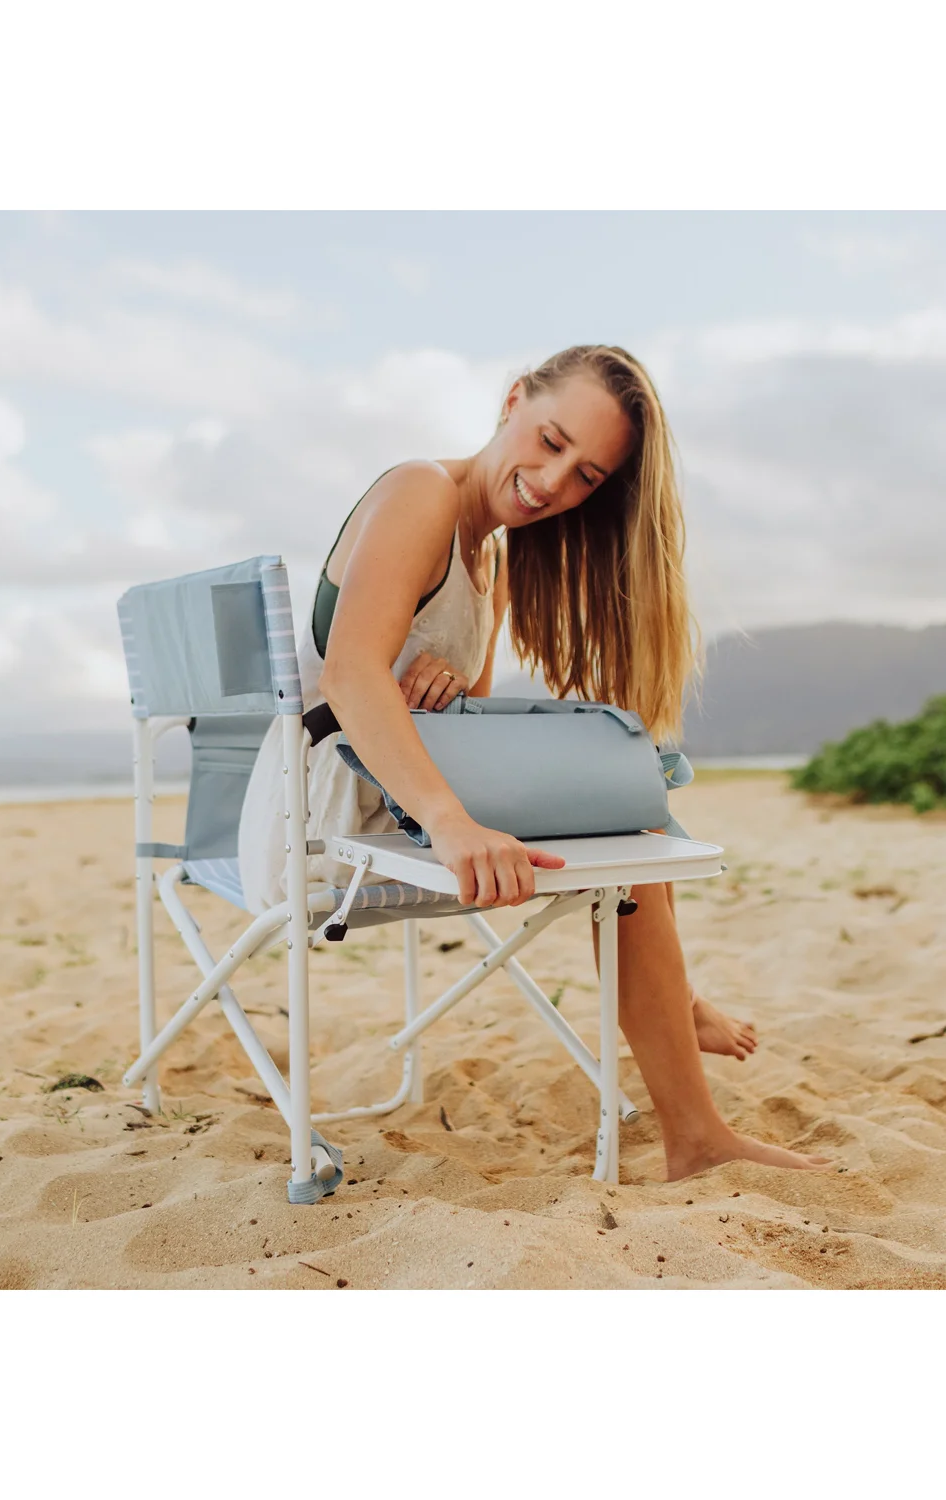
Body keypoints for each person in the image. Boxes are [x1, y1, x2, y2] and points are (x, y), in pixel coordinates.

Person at [238, 344, 827, 1179]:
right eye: (551, 441)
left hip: (396, 788)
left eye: (586, 475)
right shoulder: (420, 491)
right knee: (627, 850)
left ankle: (689, 1089)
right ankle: (689, 1088)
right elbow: (349, 674)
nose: (552, 483)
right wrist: (451, 823)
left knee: (631, 824)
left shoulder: (491, 560)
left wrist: (444, 690)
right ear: (513, 398)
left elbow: (461, 720)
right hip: (325, 808)